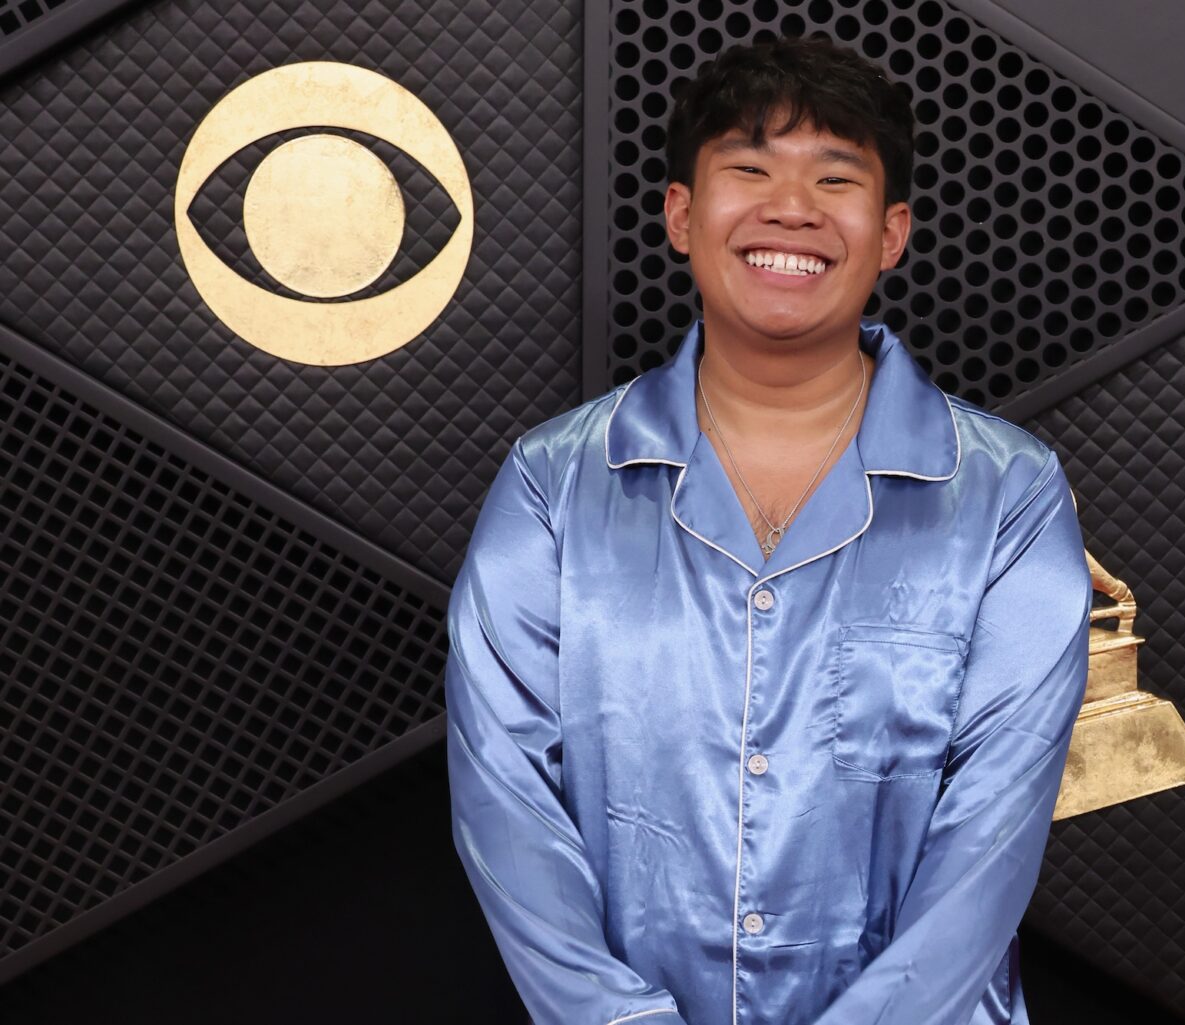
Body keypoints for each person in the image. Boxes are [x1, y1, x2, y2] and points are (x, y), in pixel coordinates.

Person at [444, 33, 1092, 1025]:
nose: (791, 208)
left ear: (892, 232)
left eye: (835, 179)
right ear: (680, 213)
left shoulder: (1007, 493)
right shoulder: (554, 481)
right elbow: (506, 799)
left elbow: (990, 837)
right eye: (750, 170)